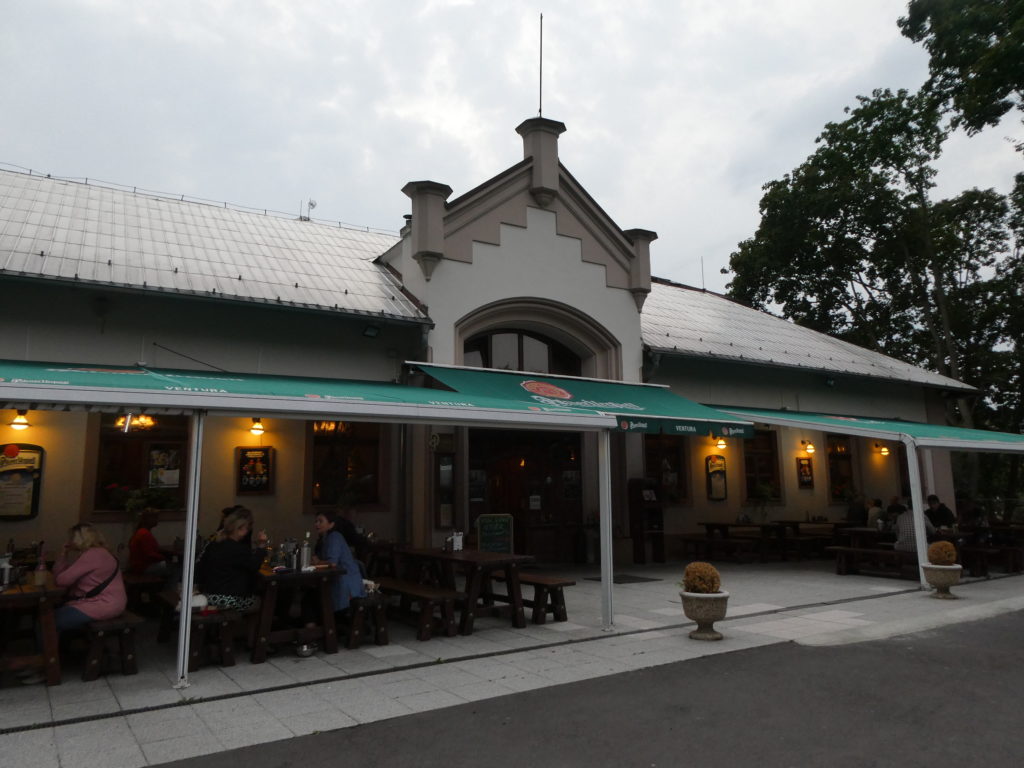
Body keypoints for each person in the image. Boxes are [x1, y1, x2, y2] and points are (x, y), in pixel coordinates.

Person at [53, 523, 127, 633]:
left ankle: (48, 650)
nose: (69, 540)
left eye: (72, 537)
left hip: (103, 605)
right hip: (112, 603)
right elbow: (62, 576)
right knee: (56, 614)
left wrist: (63, 554)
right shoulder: (100, 552)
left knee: (48, 622)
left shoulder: (92, 554)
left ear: (79, 538)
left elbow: (61, 580)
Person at [196, 508, 267, 611]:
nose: (249, 530)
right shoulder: (237, 549)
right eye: (248, 527)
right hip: (228, 599)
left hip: (208, 594)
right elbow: (254, 566)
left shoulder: (215, 543)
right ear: (240, 528)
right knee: (260, 602)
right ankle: (249, 627)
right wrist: (261, 546)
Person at [312, 511, 366, 616]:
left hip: (346, 584)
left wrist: (317, 562)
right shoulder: (325, 538)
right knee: (312, 596)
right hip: (338, 580)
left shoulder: (335, 537)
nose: (316, 524)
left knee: (313, 597)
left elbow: (332, 563)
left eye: (320, 521)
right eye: (316, 521)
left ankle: (321, 627)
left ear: (331, 524)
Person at [127, 508, 167, 575]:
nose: (157, 520)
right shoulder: (144, 534)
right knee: (175, 567)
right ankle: (170, 585)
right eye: (155, 518)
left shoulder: (141, 531)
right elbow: (150, 554)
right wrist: (164, 558)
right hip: (143, 567)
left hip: (139, 565)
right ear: (148, 519)